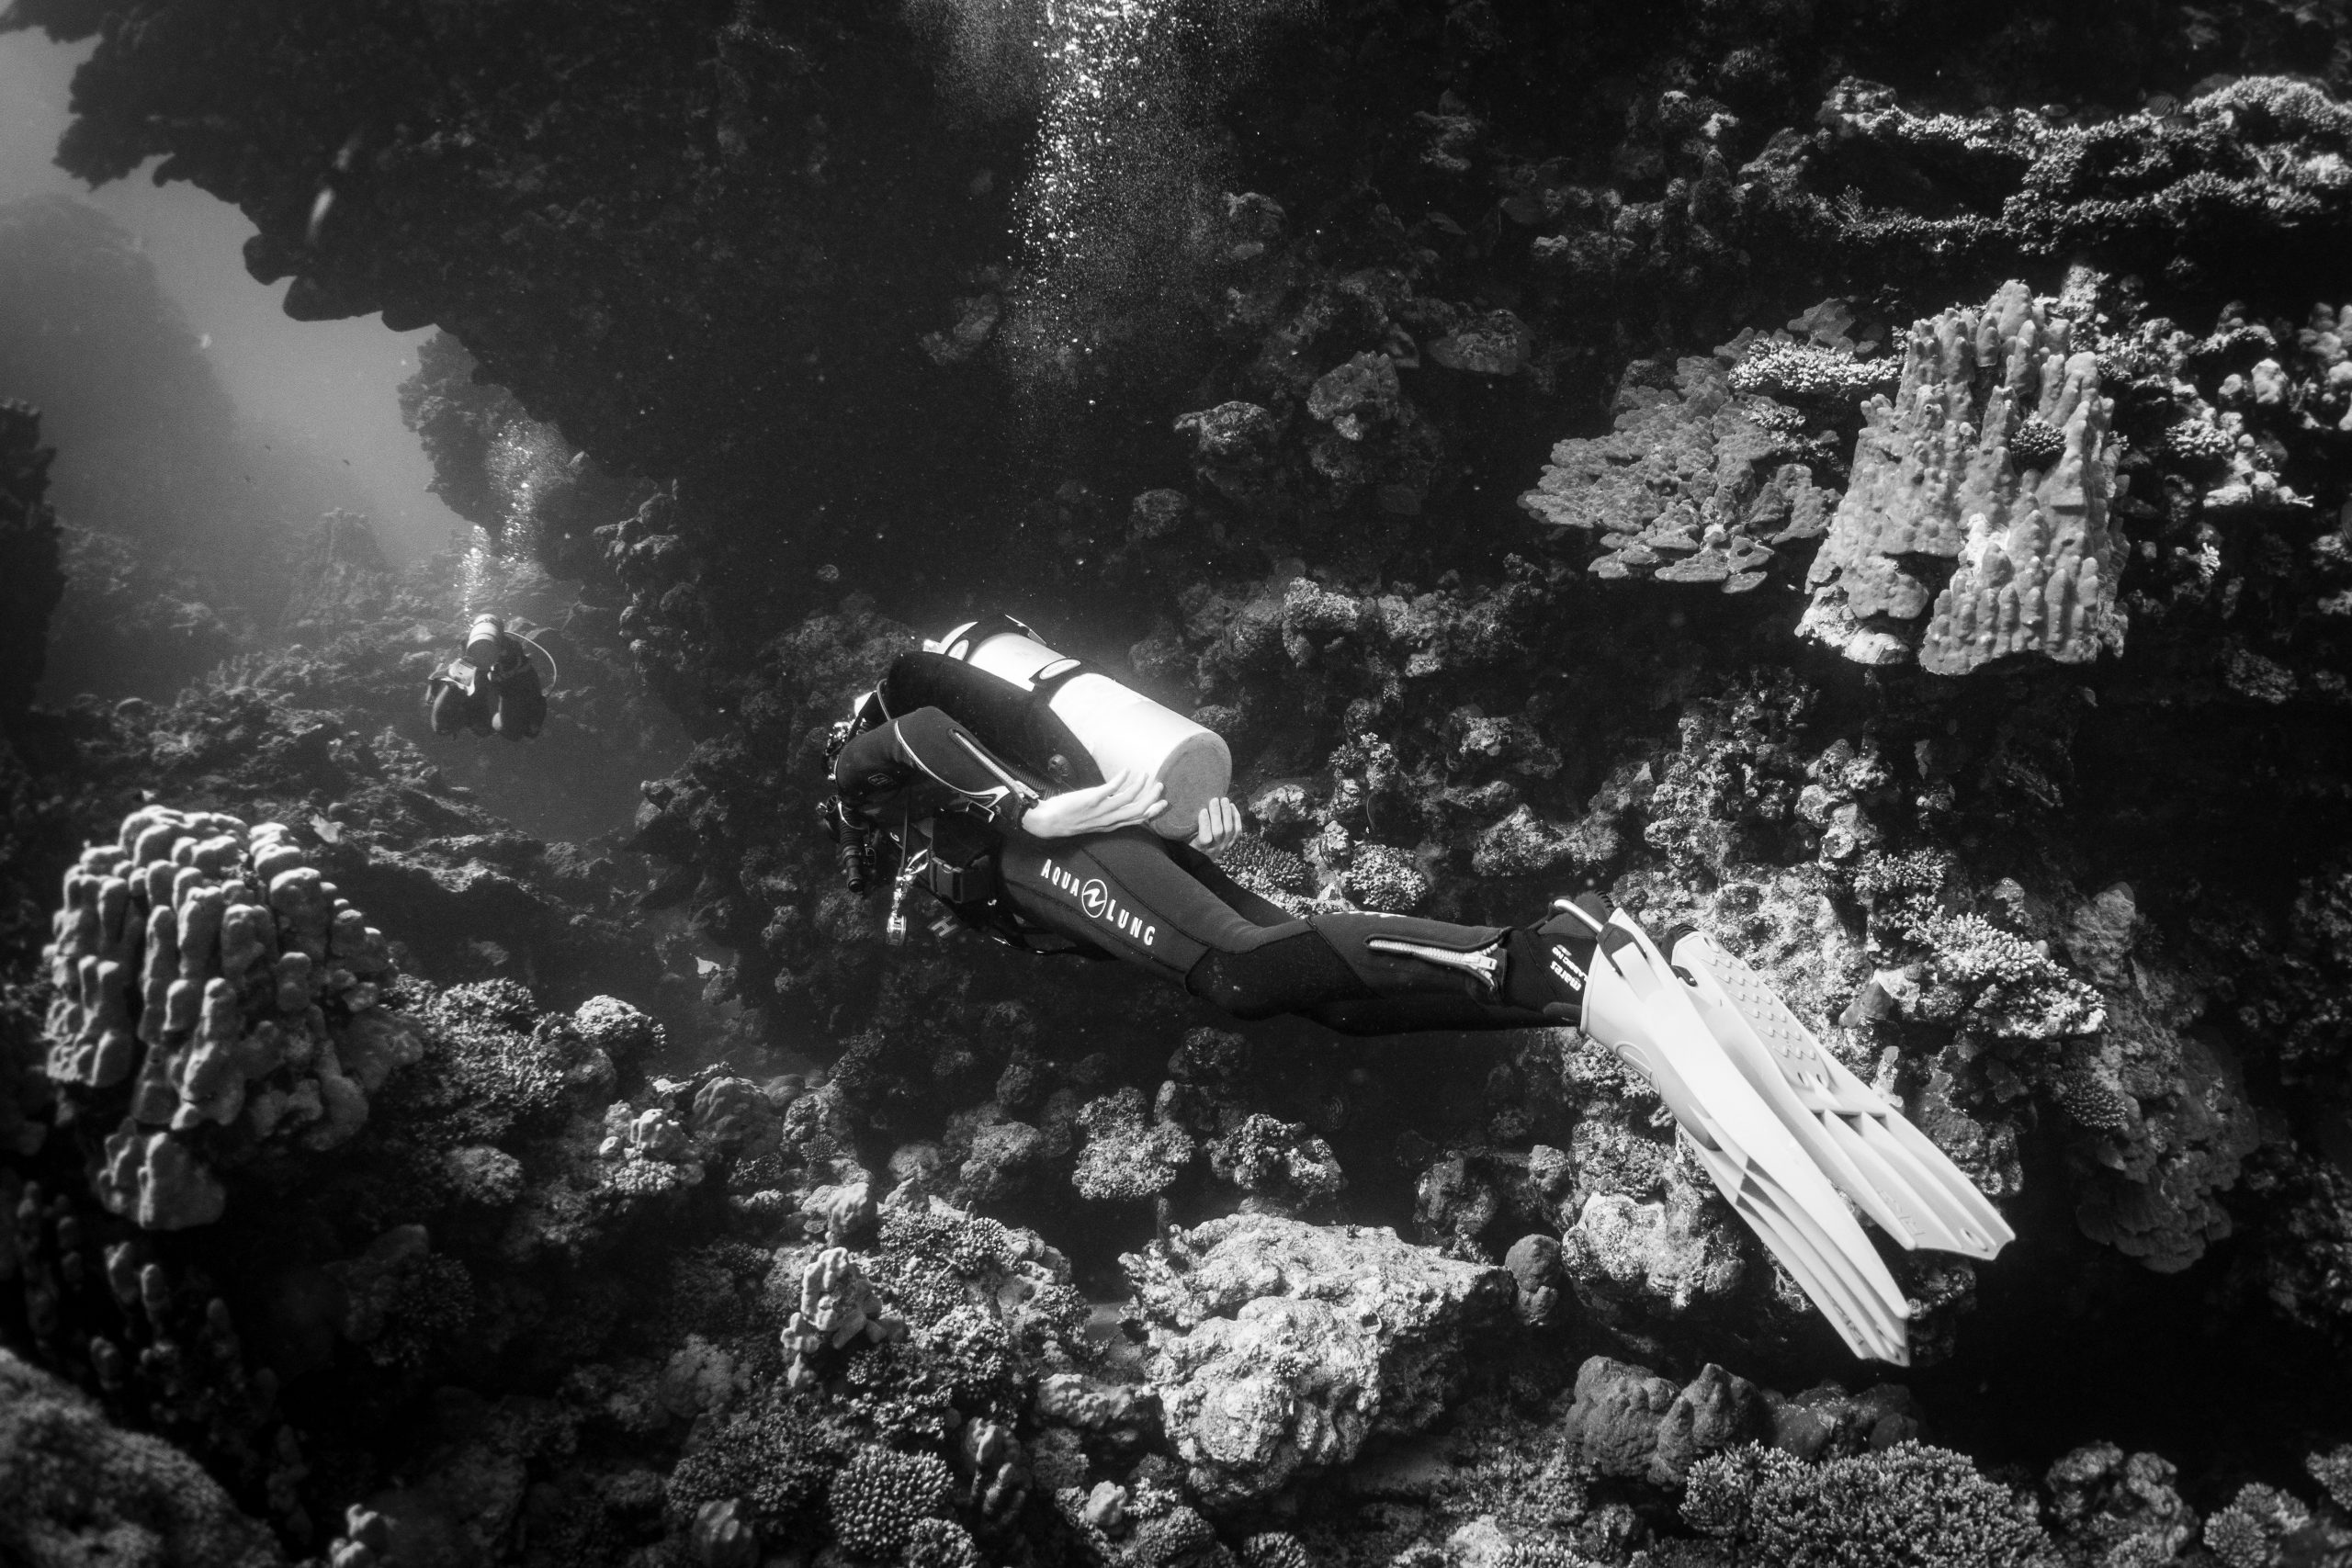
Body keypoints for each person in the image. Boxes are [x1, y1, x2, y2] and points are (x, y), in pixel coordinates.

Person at [821, 615, 2015, 1366]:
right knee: (1306, 985)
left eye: (868, 840)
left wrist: (1019, 811)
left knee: (1246, 968)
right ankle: (1566, 981)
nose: (874, 858)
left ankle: (1558, 949)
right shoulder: (946, 839)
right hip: (1074, 845)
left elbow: (910, 731)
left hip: (1068, 835)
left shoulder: (891, 755)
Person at [427, 614, 547, 741]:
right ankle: (459, 685)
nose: (484, 654)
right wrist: (462, 671)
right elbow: (440, 726)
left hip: (497, 712)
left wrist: (508, 675)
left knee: (512, 728)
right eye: (479, 650)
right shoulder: (460, 654)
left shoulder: (513, 658)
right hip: (474, 710)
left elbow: (515, 731)